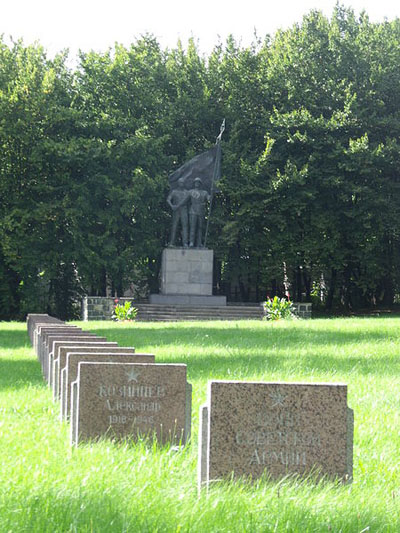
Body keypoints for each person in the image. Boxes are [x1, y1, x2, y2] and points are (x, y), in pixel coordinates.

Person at [167, 177, 189, 247]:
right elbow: (168, 199)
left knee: (185, 226)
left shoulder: (186, 192)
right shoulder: (174, 192)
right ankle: (172, 242)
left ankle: (185, 243)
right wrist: (172, 206)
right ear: (178, 183)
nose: (181, 184)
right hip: (176, 210)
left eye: (182, 182)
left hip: (184, 210)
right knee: (174, 226)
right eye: (180, 182)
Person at [188, 177, 210, 248]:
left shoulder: (204, 192)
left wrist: (211, 194)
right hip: (193, 211)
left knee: (200, 228)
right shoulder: (191, 191)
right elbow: (185, 200)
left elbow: (209, 199)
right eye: (196, 182)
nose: (197, 183)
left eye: (198, 182)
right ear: (194, 183)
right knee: (192, 227)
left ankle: (199, 243)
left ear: (200, 184)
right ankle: (191, 242)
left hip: (201, 211)